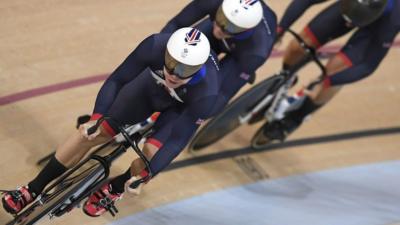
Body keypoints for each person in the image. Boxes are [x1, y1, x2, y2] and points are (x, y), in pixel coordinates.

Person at [2, 27, 221, 217]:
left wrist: (146, 175)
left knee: (151, 157)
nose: (174, 74)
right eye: (171, 64)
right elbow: (118, 79)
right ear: (166, 53)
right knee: (90, 134)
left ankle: (116, 187)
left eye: (184, 70)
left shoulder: (207, 92)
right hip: (150, 89)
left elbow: (178, 139)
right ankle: (31, 189)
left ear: (198, 67)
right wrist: (96, 117)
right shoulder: (154, 45)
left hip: (179, 109)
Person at [256, 0, 400, 144]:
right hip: (350, 8)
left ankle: (295, 118)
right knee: (297, 47)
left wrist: (326, 81)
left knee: (335, 70)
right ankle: (282, 83)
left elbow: (368, 66)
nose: (350, 24)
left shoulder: (394, 19)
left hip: (379, 25)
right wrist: (280, 29)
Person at [162, 0, 277, 115]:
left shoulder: (256, 51)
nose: (218, 30)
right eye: (221, 17)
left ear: (245, 29)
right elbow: (176, 24)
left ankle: (243, 71)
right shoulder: (214, 3)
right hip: (228, 34)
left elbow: (223, 93)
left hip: (243, 54)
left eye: (231, 27)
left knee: (207, 94)